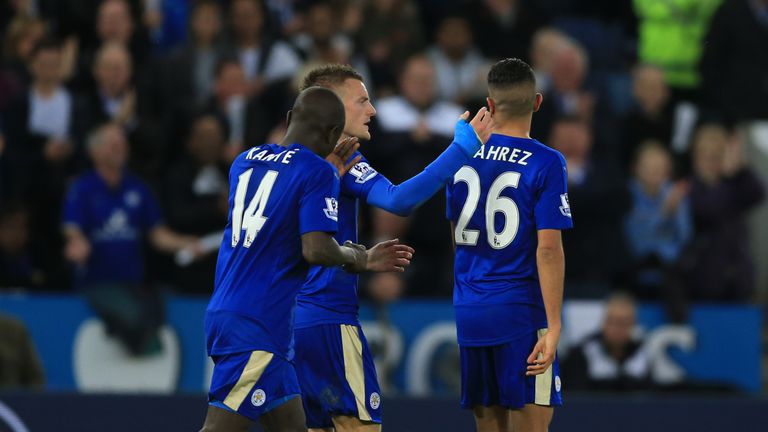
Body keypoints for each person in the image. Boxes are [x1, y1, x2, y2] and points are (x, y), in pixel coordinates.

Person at [200, 87, 414, 432]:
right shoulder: (317, 172)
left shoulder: (244, 161)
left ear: (288, 120)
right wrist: (358, 257)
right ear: (333, 134)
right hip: (259, 323)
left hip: (231, 311)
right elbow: (315, 249)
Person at [293, 64, 492, 432]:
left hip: (287, 324)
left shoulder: (283, 159)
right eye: (362, 101)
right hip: (329, 320)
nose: (373, 111)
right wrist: (461, 149)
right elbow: (399, 200)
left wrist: (361, 259)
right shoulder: (335, 161)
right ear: (333, 106)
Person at [445, 58, 573, 432]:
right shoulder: (547, 162)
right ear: (537, 102)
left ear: (489, 103)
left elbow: (456, 235)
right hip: (519, 312)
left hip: (470, 310)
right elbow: (548, 248)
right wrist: (553, 327)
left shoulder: (459, 155)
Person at [62, 123, 200, 355]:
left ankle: (148, 358)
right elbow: (72, 229)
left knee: (158, 305)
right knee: (132, 316)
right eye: (113, 144)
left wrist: (187, 243)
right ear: (95, 152)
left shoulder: (138, 188)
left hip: (133, 282)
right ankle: (143, 351)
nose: (120, 149)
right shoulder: (83, 188)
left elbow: (157, 234)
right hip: (98, 282)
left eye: (122, 144)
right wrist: (78, 243)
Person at [561, 293, 650, 391]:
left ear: (633, 325)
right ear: (604, 322)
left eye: (624, 323)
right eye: (613, 321)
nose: (618, 329)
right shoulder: (581, 353)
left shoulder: (643, 353)